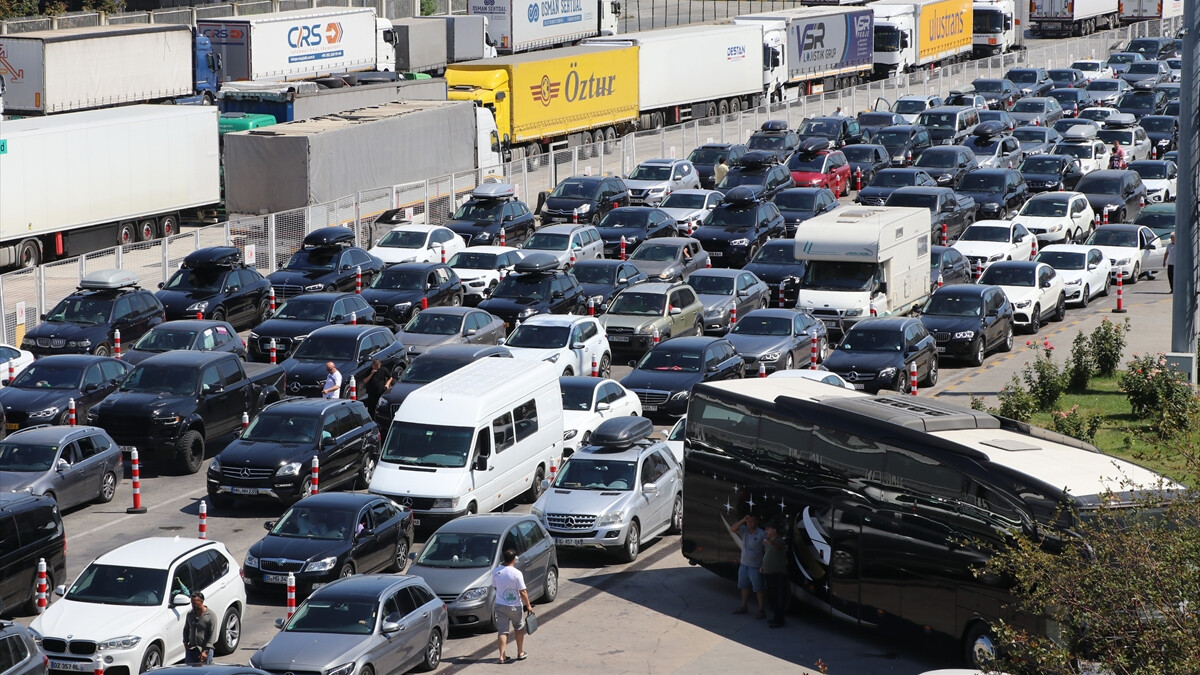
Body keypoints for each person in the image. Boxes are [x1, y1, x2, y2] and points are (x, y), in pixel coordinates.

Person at [492, 548, 534, 663]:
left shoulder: (496, 571)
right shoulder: (516, 573)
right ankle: (520, 652)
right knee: (519, 628)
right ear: (514, 559)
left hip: (500, 605)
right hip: (515, 606)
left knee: (502, 631)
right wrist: (528, 605)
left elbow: (495, 587)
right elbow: (523, 591)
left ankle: (502, 656)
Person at [731, 513, 768, 618]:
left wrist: (764, 564)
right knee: (744, 587)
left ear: (757, 522)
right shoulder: (744, 530)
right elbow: (732, 529)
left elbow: (767, 549)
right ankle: (743, 606)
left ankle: (761, 609)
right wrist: (742, 520)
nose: (750, 523)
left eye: (752, 521)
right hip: (744, 565)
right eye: (748, 521)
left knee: (758, 588)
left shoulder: (761, 534)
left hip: (755, 566)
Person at [761, 521, 788, 628]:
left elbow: (778, 546)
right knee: (771, 597)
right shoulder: (768, 541)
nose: (766, 531)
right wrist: (763, 566)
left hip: (777, 574)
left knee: (778, 597)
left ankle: (780, 620)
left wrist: (771, 542)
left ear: (774, 530)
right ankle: (776, 617)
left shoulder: (779, 540)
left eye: (768, 529)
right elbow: (767, 554)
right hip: (768, 573)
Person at [182, 591, 217, 666]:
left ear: (201, 601)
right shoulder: (190, 614)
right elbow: (186, 629)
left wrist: (206, 651)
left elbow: (212, 635)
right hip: (191, 650)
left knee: (205, 671)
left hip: (205, 651)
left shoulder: (211, 616)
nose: (193, 605)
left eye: (195, 603)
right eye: (192, 603)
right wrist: (185, 643)